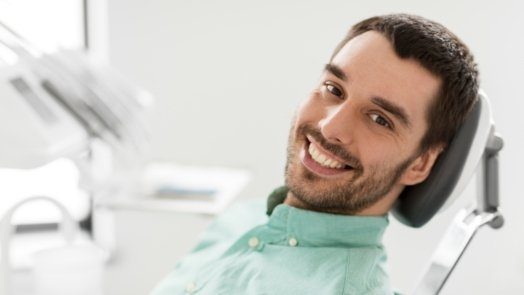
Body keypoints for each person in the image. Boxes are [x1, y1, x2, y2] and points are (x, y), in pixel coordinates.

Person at [151, 13, 479, 295]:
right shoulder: (239, 220)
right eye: (334, 89)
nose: (329, 126)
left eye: (380, 119)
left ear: (420, 163)